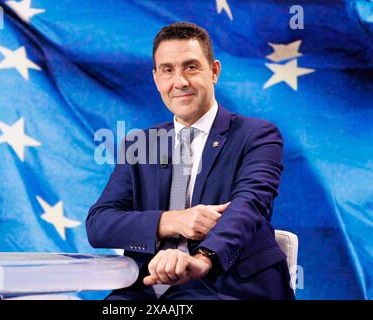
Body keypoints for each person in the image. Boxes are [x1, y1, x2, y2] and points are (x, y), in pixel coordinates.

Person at [86, 22, 294, 300]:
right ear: (156, 78)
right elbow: (99, 224)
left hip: (227, 287)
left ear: (214, 72)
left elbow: (250, 206)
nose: (180, 81)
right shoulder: (141, 144)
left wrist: (204, 259)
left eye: (191, 67)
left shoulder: (257, 135)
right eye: (168, 70)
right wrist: (171, 221)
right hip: (148, 289)